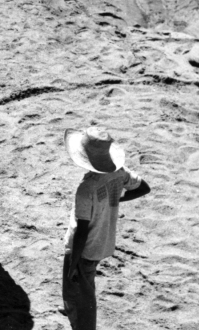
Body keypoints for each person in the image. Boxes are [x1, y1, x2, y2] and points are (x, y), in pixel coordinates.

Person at [61, 127, 150, 330]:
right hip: (104, 242)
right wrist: (115, 200)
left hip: (84, 249)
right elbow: (144, 188)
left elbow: (82, 231)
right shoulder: (118, 173)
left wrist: (73, 263)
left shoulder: (86, 190)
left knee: (79, 293)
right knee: (86, 285)